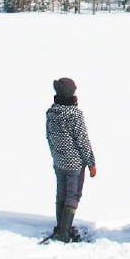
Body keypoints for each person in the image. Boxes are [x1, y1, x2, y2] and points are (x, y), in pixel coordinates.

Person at [45, 77, 96, 243]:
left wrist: (55, 155)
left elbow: (49, 136)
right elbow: (82, 141)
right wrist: (91, 162)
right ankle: (63, 232)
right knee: (73, 196)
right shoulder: (75, 114)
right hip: (74, 164)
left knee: (61, 193)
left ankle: (61, 226)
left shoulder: (51, 112)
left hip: (58, 161)